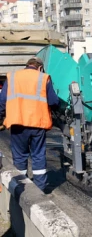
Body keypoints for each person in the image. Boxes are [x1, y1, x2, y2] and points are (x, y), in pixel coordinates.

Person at [0, 57, 59, 192]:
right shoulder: (43, 78)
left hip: (17, 123)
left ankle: (21, 188)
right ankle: (40, 188)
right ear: (39, 68)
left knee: (20, 155)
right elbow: (53, 102)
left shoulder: (13, 77)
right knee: (38, 155)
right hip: (37, 123)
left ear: (26, 66)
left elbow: (2, 101)